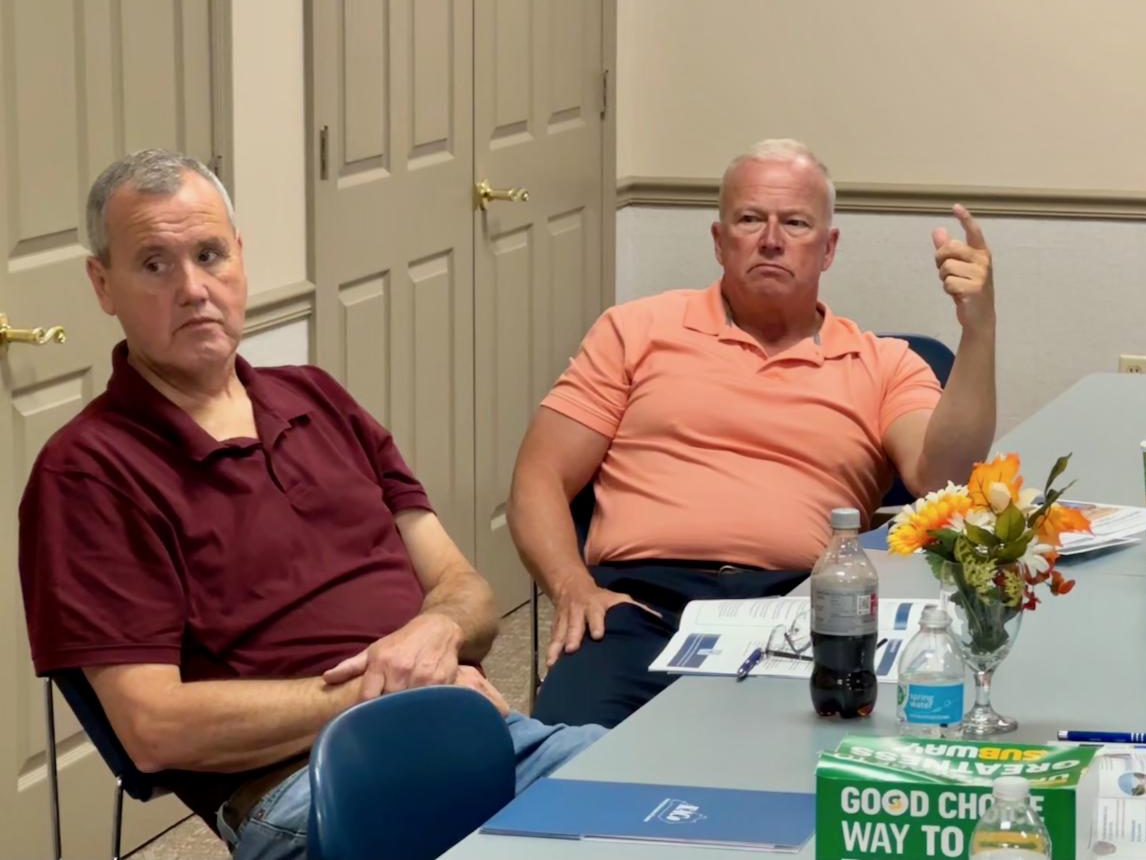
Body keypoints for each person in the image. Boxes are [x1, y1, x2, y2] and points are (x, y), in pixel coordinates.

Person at [18, 150, 604, 860]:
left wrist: (438, 630)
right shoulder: (88, 473)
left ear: (241, 258)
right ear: (102, 284)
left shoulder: (316, 397)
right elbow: (153, 729)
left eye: (209, 255)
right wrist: (387, 692)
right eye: (154, 265)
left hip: (476, 735)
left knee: (666, 798)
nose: (193, 289)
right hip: (316, 788)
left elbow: (467, 592)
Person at [509, 138, 997, 728]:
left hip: (799, 610)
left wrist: (978, 330)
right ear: (720, 241)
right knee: (566, 759)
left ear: (828, 248)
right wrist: (571, 586)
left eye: (795, 222)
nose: (771, 239)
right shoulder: (635, 331)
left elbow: (942, 477)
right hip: (637, 605)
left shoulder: (882, 364)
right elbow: (538, 476)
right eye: (749, 220)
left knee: (807, 764)